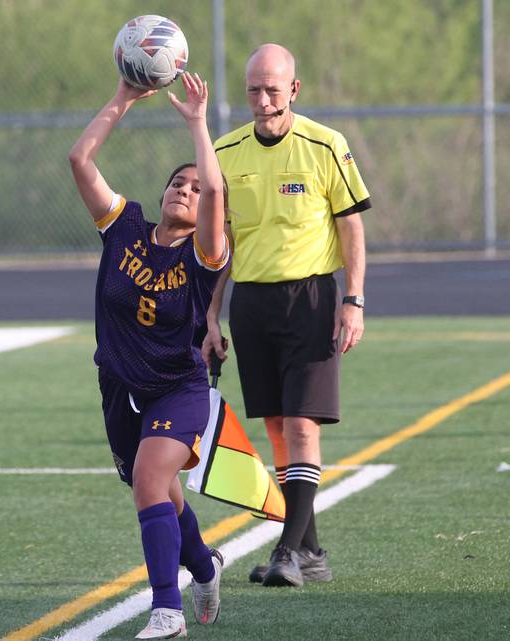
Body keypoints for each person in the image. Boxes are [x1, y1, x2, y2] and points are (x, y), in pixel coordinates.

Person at [202, 43, 371, 588]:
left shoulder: (326, 145)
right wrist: (211, 315)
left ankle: (286, 552)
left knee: (301, 426)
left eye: (273, 88)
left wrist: (354, 298)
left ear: (294, 89)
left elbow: (351, 229)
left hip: (312, 301)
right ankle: (312, 550)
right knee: (277, 427)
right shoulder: (226, 152)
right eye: (254, 89)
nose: (263, 99)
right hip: (252, 304)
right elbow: (222, 245)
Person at [69, 72, 229, 639]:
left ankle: (167, 612)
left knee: (147, 477)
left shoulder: (203, 255)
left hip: (177, 387)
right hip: (118, 386)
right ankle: (205, 565)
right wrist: (122, 97)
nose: (185, 190)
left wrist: (197, 123)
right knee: (160, 487)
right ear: (161, 195)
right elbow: (80, 160)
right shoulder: (125, 226)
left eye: (194, 187)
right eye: (176, 183)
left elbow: (215, 191)